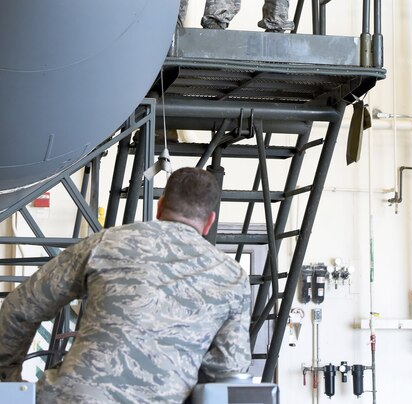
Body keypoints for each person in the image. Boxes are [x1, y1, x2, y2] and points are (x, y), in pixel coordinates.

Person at [0, 167, 251, 403]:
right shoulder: (232, 276)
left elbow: (20, 307)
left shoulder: (107, 242)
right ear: (209, 221)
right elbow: (229, 370)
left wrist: (9, 383)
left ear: (160, 206)